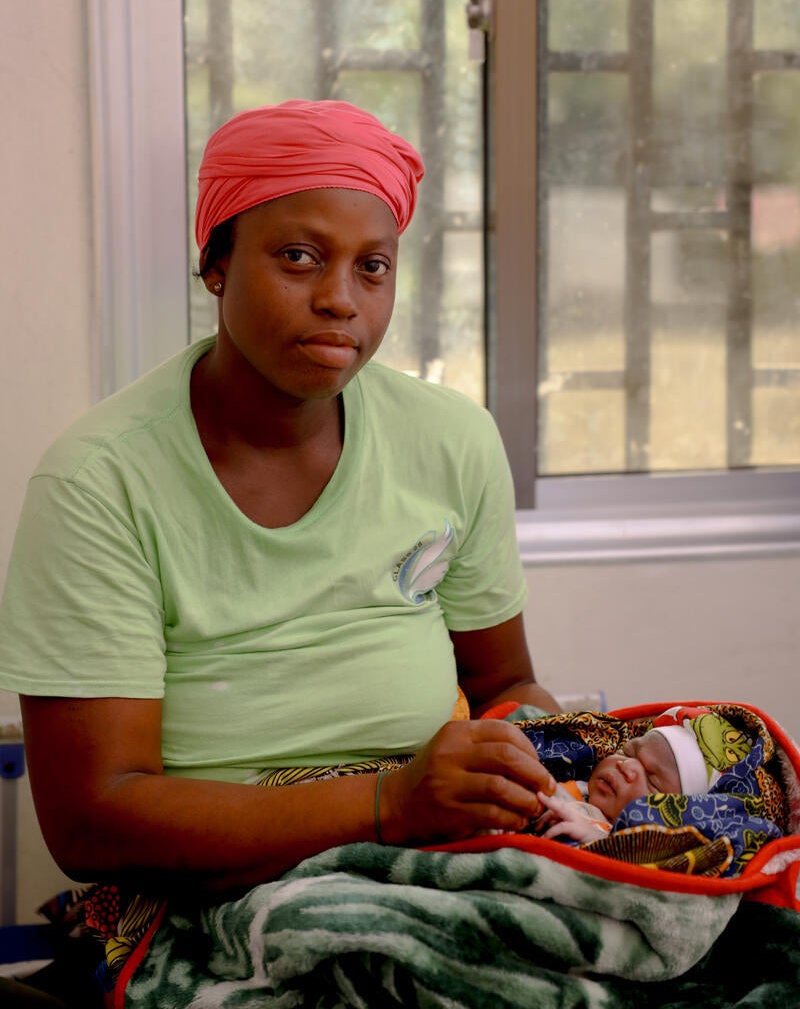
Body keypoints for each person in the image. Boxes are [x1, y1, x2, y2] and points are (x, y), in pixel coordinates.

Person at [0, 100, 561, 914]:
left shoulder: (450, 442)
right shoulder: (100, 483)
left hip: (444, 860)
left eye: (373, 266)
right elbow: (93, 821)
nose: (341, 299)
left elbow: (506, 681)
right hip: (211, 899)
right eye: (299, 257)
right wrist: (387, 804)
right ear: (216, 264)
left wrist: (534, 773)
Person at [534, 710, 753, 845]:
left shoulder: (644, 848)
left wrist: (594, 839)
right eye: (627, 752)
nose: (626, 766)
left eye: (652, 781)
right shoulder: (568, 785)